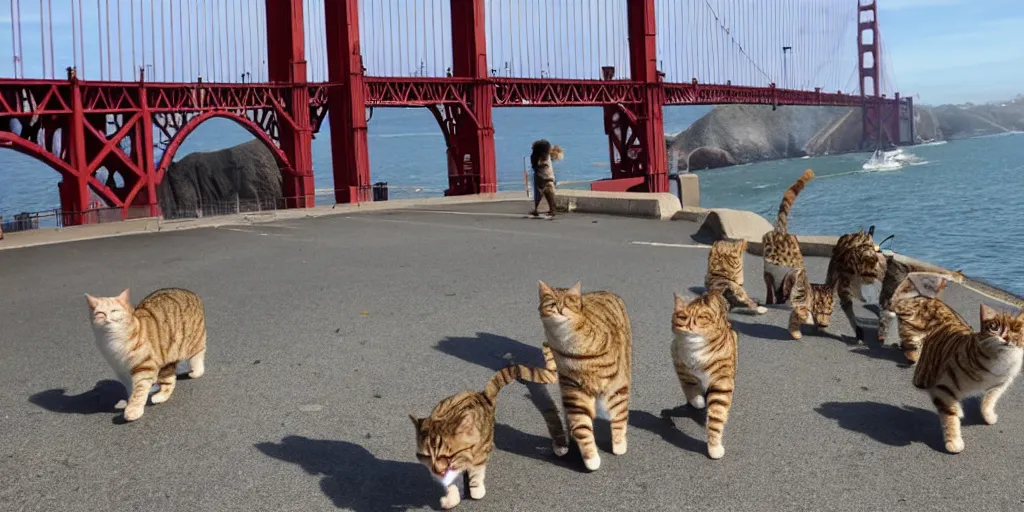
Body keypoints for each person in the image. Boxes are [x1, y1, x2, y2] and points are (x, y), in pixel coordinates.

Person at [529, 139, 563, 217]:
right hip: (548, 177)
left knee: (542, 195)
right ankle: (550, 209)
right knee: (548, 195)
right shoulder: (546, 157)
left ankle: (545, 209)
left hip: (542, 178)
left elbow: (535, 165)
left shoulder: (539, 158)